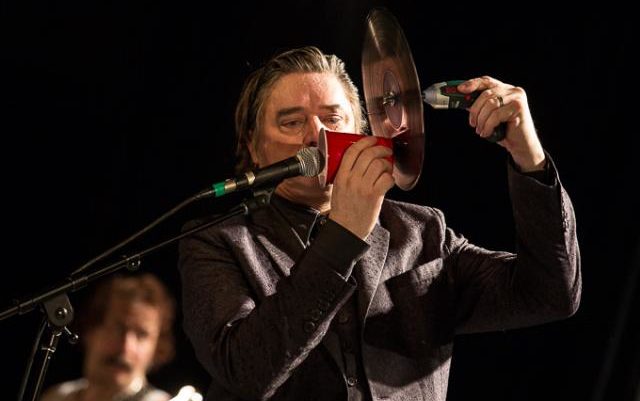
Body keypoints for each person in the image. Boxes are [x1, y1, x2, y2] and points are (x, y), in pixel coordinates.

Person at [178, 46, 581, 401]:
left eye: (333, 118)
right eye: (291, 122)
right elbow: (247, 371)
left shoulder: (422, 232)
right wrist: (344, 235)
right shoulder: (218, 243)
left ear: (361, 134)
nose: (316, 136)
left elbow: (550, 294)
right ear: (253, 145)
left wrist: (528, 155)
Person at [40, 273, 176, 401]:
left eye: (142, 335)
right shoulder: (56, 396)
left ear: (156, 346)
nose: (126, 347)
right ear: (90, 329)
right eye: (118, 328)